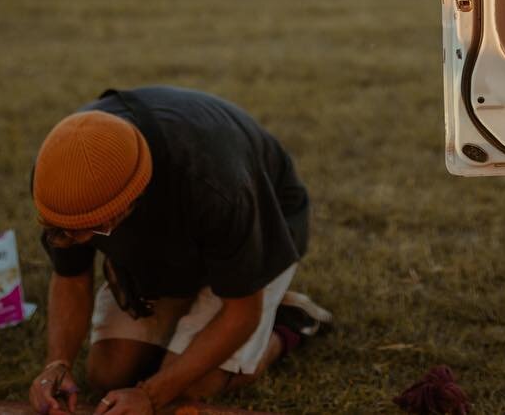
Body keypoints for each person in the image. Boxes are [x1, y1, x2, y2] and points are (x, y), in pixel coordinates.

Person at [26, 87, 330, 415]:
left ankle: (289, 322)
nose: (81, 240)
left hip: (267, 221)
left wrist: (152, 394)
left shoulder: (216, 186)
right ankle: (185, 306)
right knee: (108, 374)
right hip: (174, 243)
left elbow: (241, 314)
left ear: (130, 200)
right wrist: (57, 364)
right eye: (67, 230)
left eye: (96, 229)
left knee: (191, 387)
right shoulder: (60, 177)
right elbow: (70, 278)